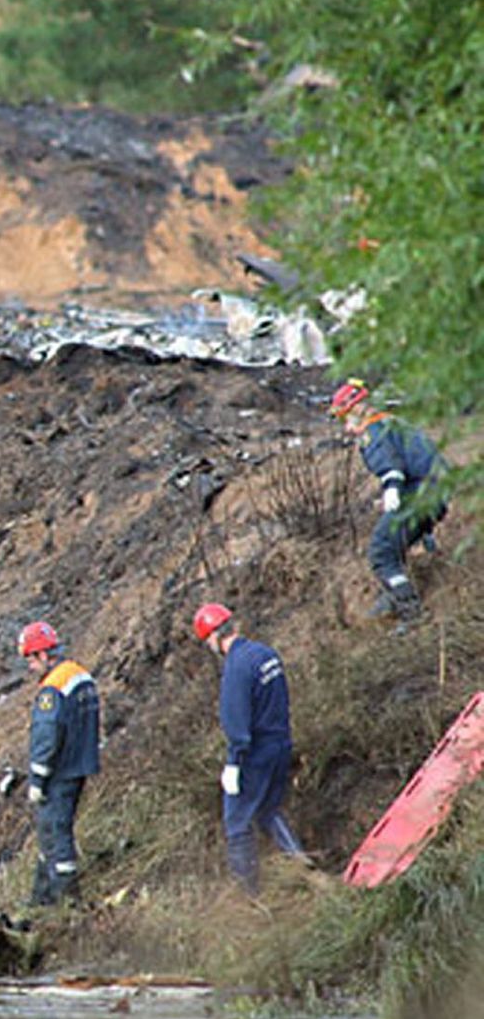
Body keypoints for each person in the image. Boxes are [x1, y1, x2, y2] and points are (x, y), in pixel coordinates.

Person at [192, 603, 306, 894]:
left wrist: (234, 763)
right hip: (281, 744)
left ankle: (248, 897)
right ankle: (304, 866)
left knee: (237, 822)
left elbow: (236, 724)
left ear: (214, 638)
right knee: (268, 810)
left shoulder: (236, 668)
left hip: (255, 755)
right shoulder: (266, 654)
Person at [328, 378, 450, 623]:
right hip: (434, 494)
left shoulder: (374, 432)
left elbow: (391, 467)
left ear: (357, 410)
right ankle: (394, 594)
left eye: (345, 418)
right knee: (394, 545)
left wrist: (392, 489)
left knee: (381, 551)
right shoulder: (395, 424)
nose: (346, 428)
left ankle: (409, 608)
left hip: (419, 495)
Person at [17, 621, 100, 906]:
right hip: (78, 766)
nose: (29, 668)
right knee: (49, 834)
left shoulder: (52, 688)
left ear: (42, 655)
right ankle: (41, 900)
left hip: (59, 772)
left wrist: (38, 779)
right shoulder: (80, 675)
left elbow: (47, 736)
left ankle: (66, 901)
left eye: (30, 659)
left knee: (55, 833)